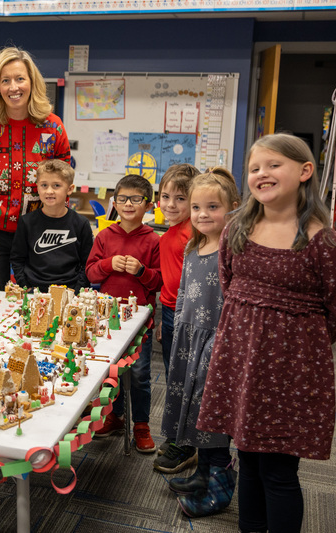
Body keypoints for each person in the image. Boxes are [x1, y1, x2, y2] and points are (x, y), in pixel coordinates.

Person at [198, 134, 336, 533]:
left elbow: (334, 309)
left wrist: (294, 341)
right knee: (250, 462)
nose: (262, 174)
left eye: (274, 165)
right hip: (241, 366)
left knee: (277, 471)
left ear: (305, 171)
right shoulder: (237, 228)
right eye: (255, 168)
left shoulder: (321, 240)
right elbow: (231, 288)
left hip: (290, 375)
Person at [154, 170, 240, 517]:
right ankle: (202, 472)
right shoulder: (194, 243)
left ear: (233, 208)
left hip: (216, 341)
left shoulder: (231, 248)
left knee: (214, 415)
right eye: (197, 207)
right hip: (189, 338)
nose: (202, 214)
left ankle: (220, 483)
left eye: (212, 207)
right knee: (195, 413)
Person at [0, 46, 71, 290]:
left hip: (40, 229)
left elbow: (64, 178)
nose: (14, 87)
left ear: (32, 83)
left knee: (37, 298)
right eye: (5, 80)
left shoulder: (53, 127)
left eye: (20, 79)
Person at [85, 174, 162, 452]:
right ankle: (114, 416)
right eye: (123, 199)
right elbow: (91, 273)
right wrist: (107, 264)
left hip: (139, 320)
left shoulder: (153, 240)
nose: (128, 204)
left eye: (136, 199)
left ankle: (141, 424)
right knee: (109, 372)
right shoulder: (105, 236)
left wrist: (142, 271)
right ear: (114, 202)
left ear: (148, 205)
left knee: (140, 374)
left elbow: (158, 282)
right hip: (107, 319)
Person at [154, 162, 199, 461]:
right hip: (170, 313)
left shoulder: (191, 233)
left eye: (180, 199)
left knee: (186, 381)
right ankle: (178, 435)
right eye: (165, 196)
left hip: (189, 318)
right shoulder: (171, 232)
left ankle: (187, 443)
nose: (170, 204)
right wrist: (163, 318)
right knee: (174, 379)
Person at [10, 158, 93, 292]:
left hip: (70, 291)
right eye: (44, 185)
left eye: (56, 186)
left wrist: (77, 290)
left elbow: (87, 263)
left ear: (70, 189)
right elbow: (17, 259)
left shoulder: (81, 223)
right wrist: (26, 287)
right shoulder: (27, 222)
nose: (49, 191)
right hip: (34, 291)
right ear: (37, 187)